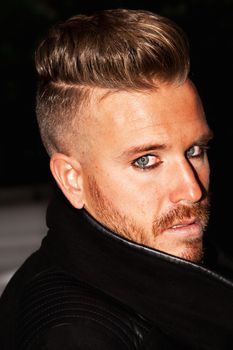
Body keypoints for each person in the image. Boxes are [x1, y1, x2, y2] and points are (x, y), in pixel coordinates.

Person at [1, 8, 233, 350]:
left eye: (195, 150)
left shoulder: (183, 267)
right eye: (146, 160)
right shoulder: (78, 334)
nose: (192, 189)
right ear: (72, 180)